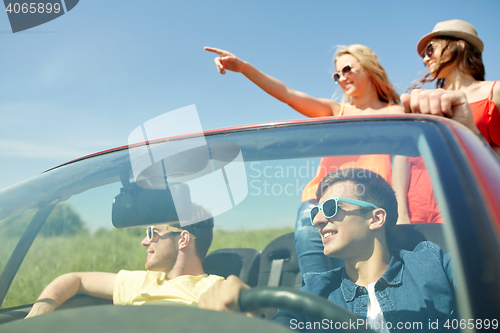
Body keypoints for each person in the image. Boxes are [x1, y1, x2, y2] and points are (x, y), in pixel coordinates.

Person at [205, 44, 405, 274]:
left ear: (368, 67)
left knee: (362, 278)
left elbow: (402, 167)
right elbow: (288, 95)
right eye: (336, 75)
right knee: (317, 279)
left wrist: (403, 214)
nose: (341, 78)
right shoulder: (335, 111)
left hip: (367, 207)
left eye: (347, 69)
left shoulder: (395, 114)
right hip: (319, 203)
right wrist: (244, 68)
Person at [199, 167, 456, 332]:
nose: (318, 220)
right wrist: (248, 321)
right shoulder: (313, 293)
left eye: (331, 208)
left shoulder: (433, 263)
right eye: (316, 211)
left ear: (376, 218)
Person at [25, 206, 223, 318]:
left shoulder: (215, 288)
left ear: (183, 239)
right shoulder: (141, 281)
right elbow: (76, 279)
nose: (144, 241)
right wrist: (41, 309)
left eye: (153, 232)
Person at [394, 19, 498, 224]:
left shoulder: (495, 92)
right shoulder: (423, 101)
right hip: (417, 211)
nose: (425, 59)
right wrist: (401, 214)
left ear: (460, 45)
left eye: (430, 49)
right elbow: (402, 159)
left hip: (470, 209)